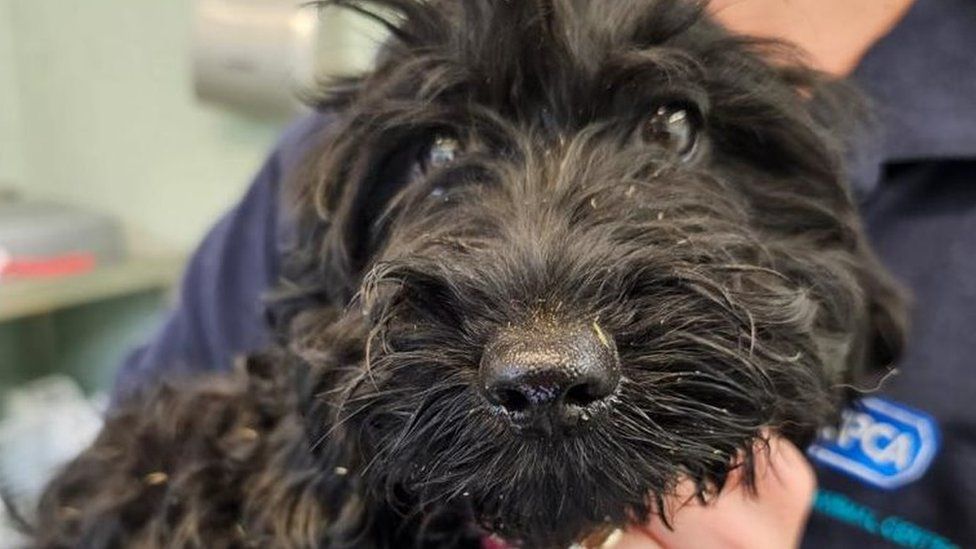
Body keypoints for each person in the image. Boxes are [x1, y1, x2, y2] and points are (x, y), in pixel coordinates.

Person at [113, 1, 975, 547]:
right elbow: (130, 479)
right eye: (444, 151)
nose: (543, 358)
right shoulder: (321, 160)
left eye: (668, 131)